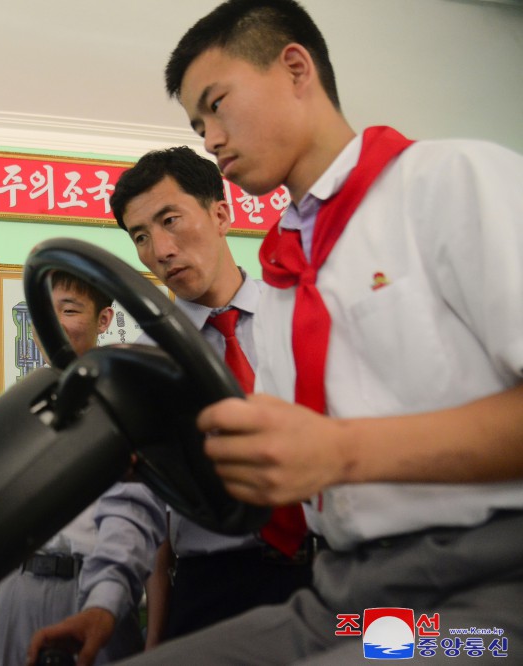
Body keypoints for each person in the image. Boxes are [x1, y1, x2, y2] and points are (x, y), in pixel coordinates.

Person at [93, 1, 522, 663]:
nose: (210, 138)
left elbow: (333, 451)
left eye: (216, 104)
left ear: (296, 69)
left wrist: (341, 451)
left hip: (482, 597)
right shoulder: (291, 275)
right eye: (196, 124)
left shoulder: (452, 181)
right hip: (342, 600)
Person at [28, 146, 313, 664]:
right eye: (140, 236)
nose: (159, 249)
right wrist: (105, 604)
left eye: (170, 220)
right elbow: (133, 502)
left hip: (333, 573)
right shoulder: (141, 367)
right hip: (213, 588)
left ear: (221, 213)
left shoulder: (301, 316)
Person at [0, 271, 166, 666]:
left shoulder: (129, 409)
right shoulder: (16, 412)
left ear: (103, 321)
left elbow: (152, 536)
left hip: (95, 597)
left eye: (69, 310)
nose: (52, 324)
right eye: (44, 312)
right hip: (15, 594)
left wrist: (155, 637)